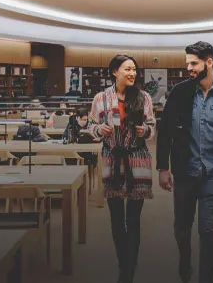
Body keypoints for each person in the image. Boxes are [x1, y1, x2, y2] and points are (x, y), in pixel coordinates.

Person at [157, 41, 213, 283]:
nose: (189, 68)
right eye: (187, 64)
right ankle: (185, 268)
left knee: (208, 230)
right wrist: (163, 167)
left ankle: (206, 278)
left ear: (209, 62)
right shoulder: (180, 92)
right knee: (182, 228)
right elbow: (165, 131)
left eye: (194, 63)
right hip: (185, 171)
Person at [86, 55, 156, 283]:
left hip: (137, 160)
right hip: (112, 160)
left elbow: (153, 127)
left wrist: (144, 130)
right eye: (127, 69)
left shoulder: (144, 97)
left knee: (134, 219)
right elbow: (90, 126)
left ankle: (129, 269)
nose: (132, 73)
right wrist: (99, 130)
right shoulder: (101, 98)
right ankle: (123, 263)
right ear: (114, 71)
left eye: (134, 70)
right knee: (116, 218)